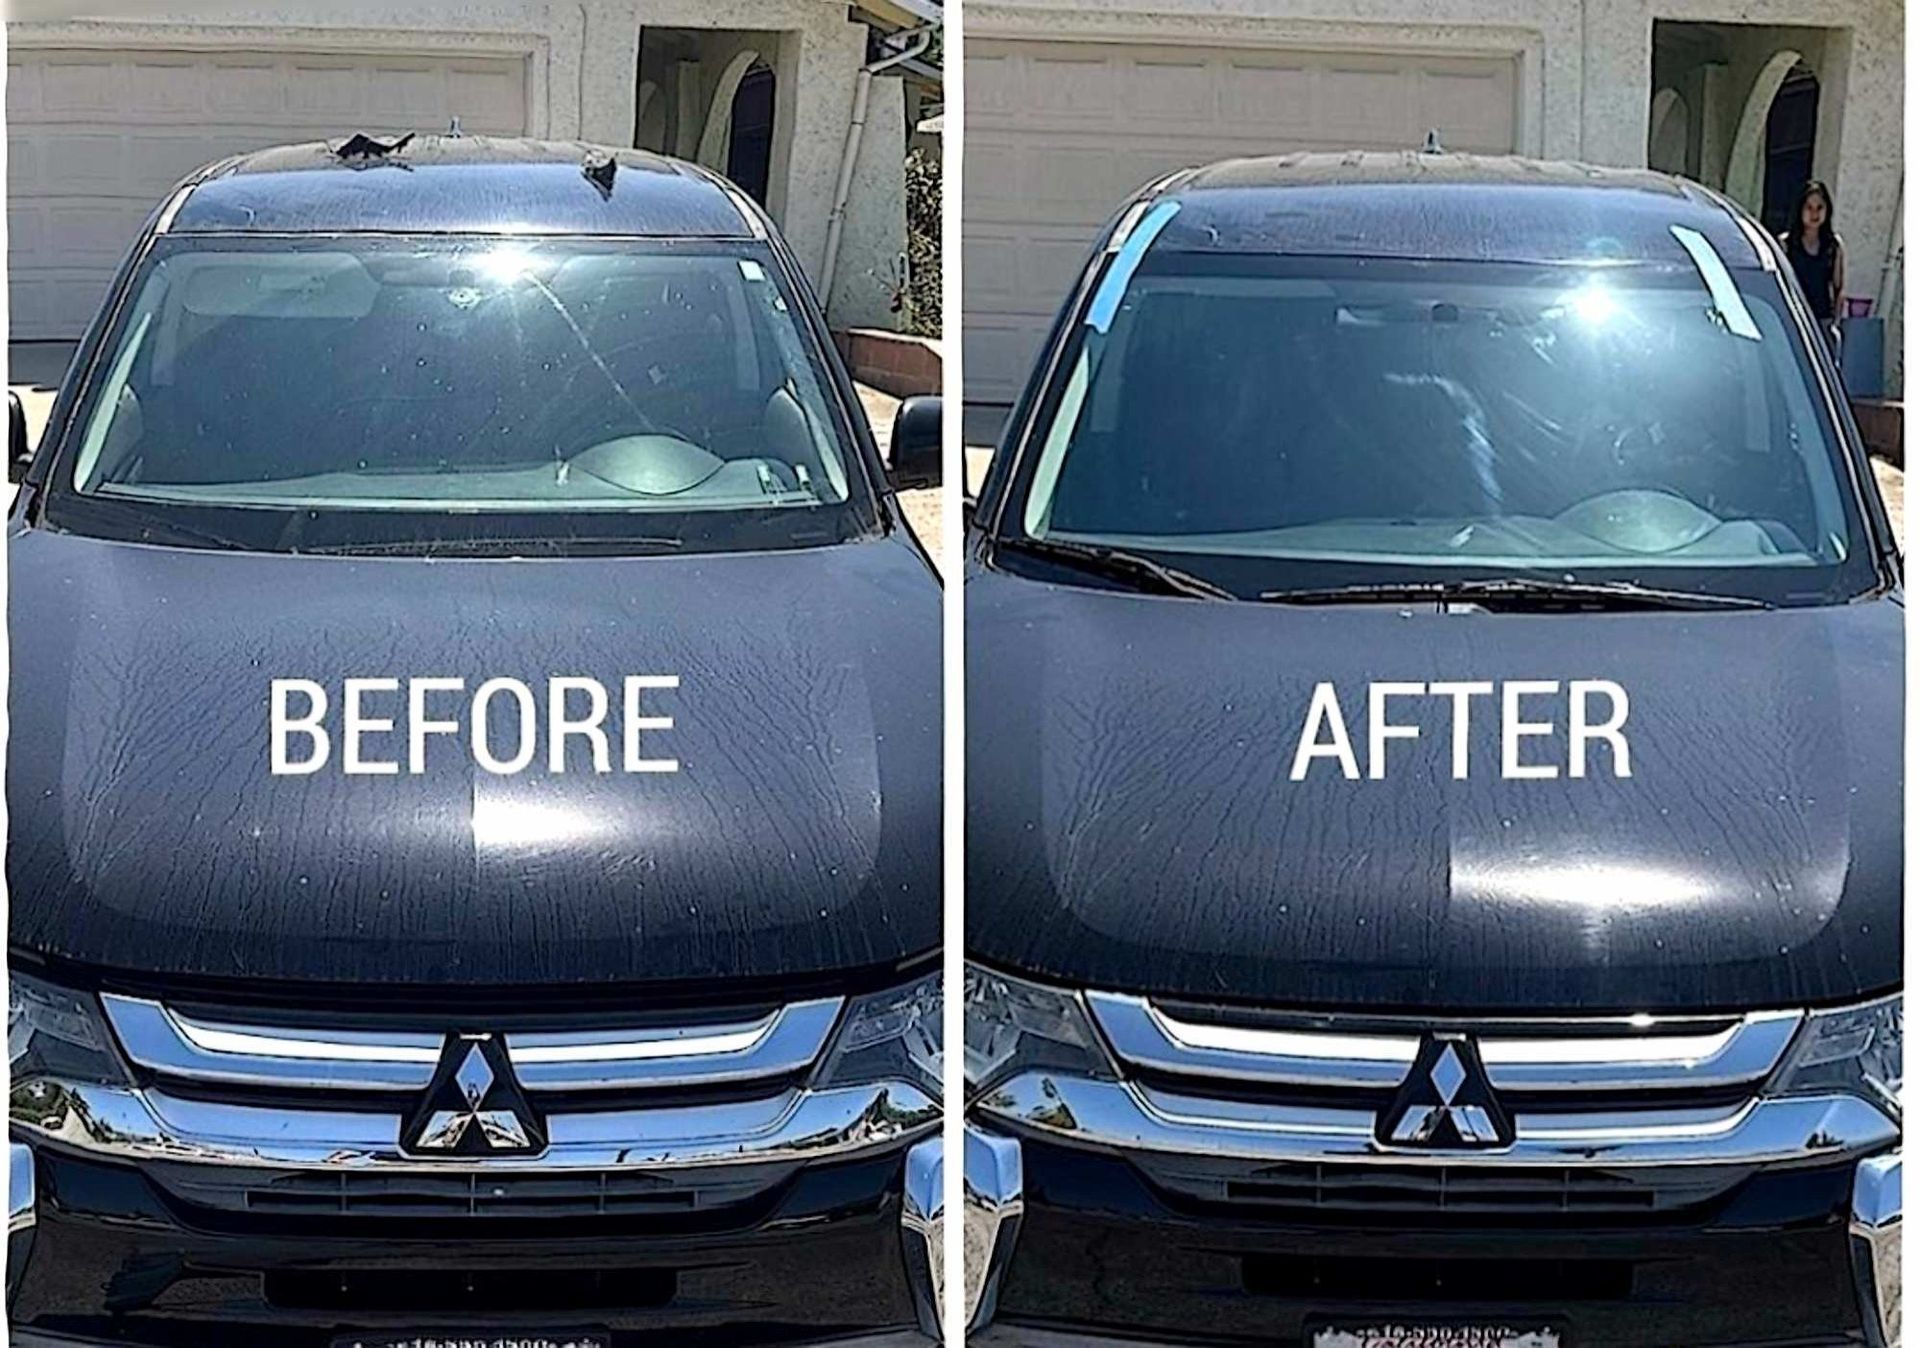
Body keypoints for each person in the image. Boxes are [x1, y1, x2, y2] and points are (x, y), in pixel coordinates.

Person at [1780, 179, 1845, 355]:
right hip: (1795, 320)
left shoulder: (1834, 245)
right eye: (1809, 207)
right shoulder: (1786, 244)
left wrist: (1835, 323)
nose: (1814, 214)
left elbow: (1838, 288)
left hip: (1823, 322)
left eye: (1819, 208)